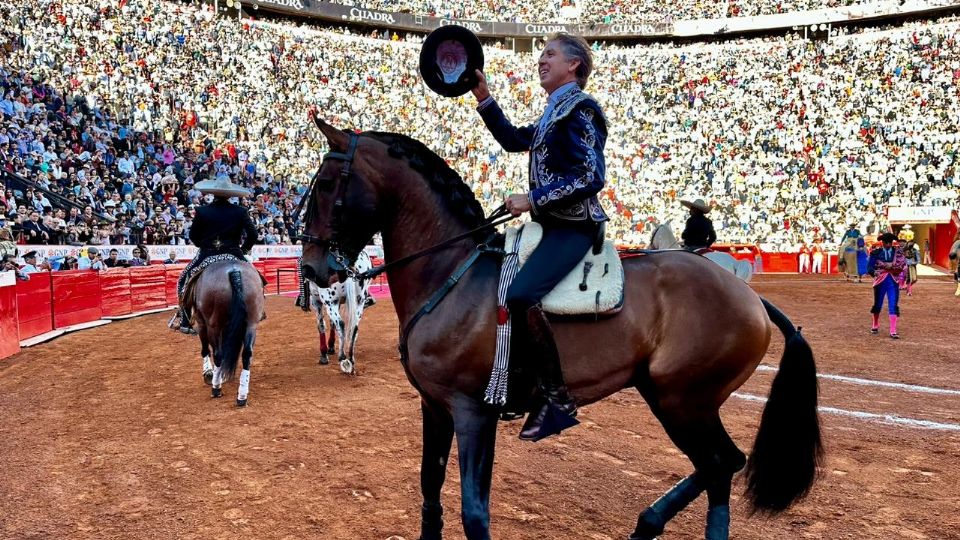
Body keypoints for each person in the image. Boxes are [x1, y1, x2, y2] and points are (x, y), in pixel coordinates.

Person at [472, 32, 608, 441]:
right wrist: (484, 98)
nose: (541, 60)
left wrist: (532, 198)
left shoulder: (581, 109)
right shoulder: (554, 111)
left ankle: (556, 398)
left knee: (520, 295)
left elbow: (591, 176)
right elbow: (514, 139)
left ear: (574, 66)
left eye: (550, 54)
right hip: (552, 224)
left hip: (574, 225)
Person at [171, 176, 257, 334]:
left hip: (207, 252)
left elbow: (193, 235)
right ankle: (257, 311)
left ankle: (184, 321)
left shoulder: (202, 211)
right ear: (230, 195)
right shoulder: (240, 211)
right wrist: (244, 249)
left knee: (184, 279)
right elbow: (253, 234)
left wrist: (203, 245)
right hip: (233, 252)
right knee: (256, 277)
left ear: (213, 193)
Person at [867, 232, 906, 339]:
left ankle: (893, 330)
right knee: (878, 303)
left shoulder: (897, 252)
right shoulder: (875, 253)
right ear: (882, 243)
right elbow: (870, 267)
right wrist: (873, 272)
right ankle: (875, 324)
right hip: (880, 280)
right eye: (886, 243)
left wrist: (893, 267)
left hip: (893, 280)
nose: (888, 245)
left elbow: (902, 265)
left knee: (893, 303)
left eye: (890, 243)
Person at [898, 225, 919, 296]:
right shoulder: (902, 234)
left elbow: (917, 257)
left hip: (910, 264)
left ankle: (906, 287)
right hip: (904, 264)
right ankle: (906, 288)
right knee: (904, 276)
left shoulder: (914, 248)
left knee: (913, 279)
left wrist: (915, 262)